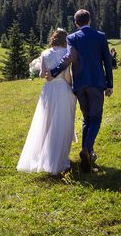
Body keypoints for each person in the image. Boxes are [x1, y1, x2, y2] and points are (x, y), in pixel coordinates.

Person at [45, 9, 113, 173]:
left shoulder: (72, 38)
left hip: (80, 85)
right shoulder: (100, 36)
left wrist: (53, 72)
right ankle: (87, 149)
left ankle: (87, 154)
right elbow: (107, 61)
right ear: (89, 20)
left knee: (86, 119)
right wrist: (109, 84)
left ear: (76, 23)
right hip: (96, 83)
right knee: (96, 118)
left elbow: (68, 58)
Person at [16, 29, 77, 174]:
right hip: (63, 89)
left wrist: (48, 75)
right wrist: (70, 87)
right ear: (65, 41)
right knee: (61, 122)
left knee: (45, 121)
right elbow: (67, 75)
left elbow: (43, 74)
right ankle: (59, 158)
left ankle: (42, 156)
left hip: (48, 90)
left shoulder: (45, 53)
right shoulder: (66, 54)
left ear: (53, 39)